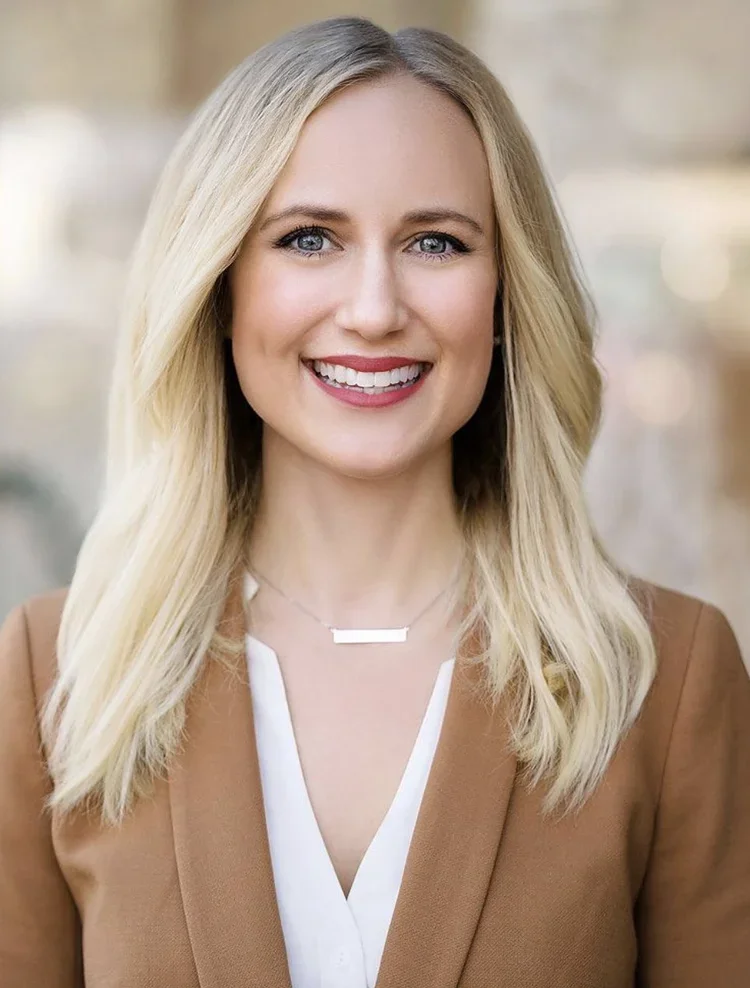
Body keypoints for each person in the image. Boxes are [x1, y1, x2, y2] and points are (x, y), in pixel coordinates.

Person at [1, 15, 748, 988]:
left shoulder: (667, 682)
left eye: (435, 242)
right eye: (308, 238)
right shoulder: (56, 679)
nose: (372, 306)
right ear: (222, 288)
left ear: (506, 296)